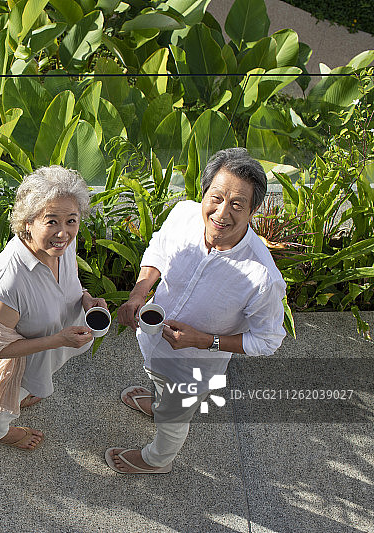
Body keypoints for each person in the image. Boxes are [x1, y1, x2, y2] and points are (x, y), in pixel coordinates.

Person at [106, 148, 286, 473]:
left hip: (193, 368)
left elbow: (268, 340)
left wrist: (203, 340)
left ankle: (156, 460)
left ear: (253, 210)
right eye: (216, 197)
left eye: (236, 204)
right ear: (204, 193)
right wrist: (137, 294)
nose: (221, 212)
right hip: (151, 340)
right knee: (159, 384)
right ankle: (159, 404)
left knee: (176, 417)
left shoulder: (263, 277)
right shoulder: (184, 214)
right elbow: (158, 248)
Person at [0, 166, 107, 450]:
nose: (64, 232)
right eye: (51, 221)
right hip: (16, 364)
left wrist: (85, 298)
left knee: (35, 382)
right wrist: (59, 340)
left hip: (49, 347)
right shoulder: (8, 283)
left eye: (72, 220)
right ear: (28, 222)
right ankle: (0, 433)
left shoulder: (61, 245)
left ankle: (29, 390)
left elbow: (68, 281)